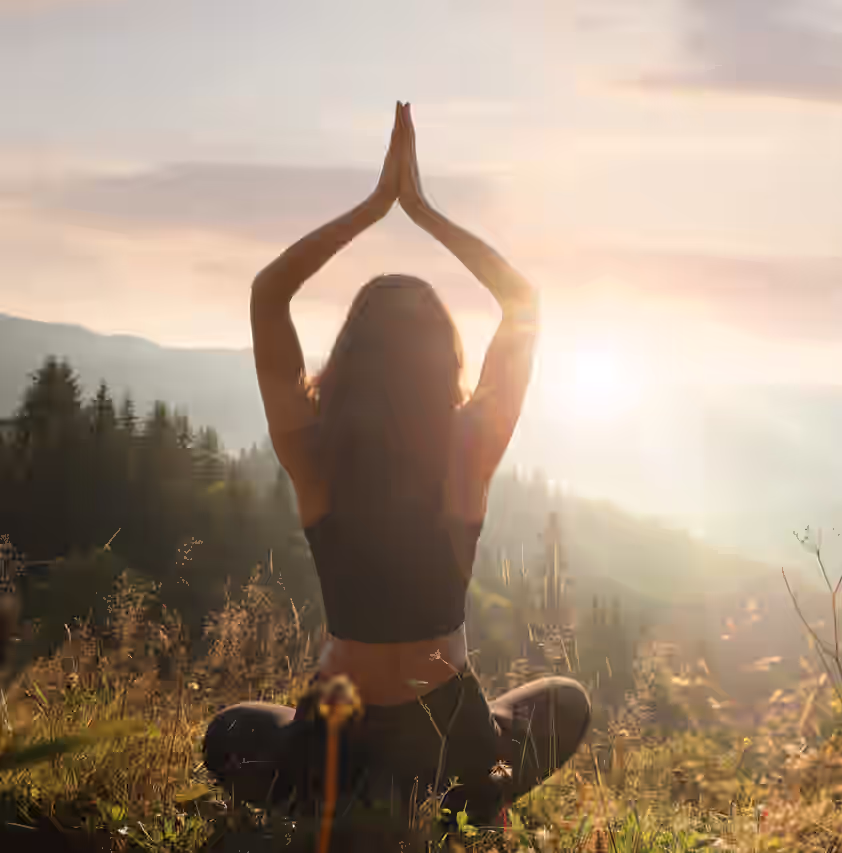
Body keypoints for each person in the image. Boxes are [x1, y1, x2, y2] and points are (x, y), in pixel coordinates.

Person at [202, 102, 590, 830]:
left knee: (232, 732)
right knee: (565, 699)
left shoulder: (312, 451)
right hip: (448, 735)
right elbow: (522, 301)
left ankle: (342, 800)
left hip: (331, 733)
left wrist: (373, 207)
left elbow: (267, 295)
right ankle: (461, 798)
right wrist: (424, 210)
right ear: (445, 359)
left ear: (347, 357)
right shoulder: (467, 448)